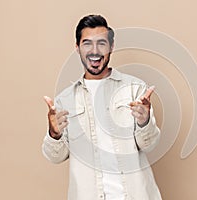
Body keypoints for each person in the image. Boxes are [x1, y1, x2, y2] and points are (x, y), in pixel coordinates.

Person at [42, 14, 162, 200]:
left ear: (111, 47)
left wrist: (144, 121)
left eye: (101, 43)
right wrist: (54, 134)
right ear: (78, 48)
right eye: (87, 43)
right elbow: (54, 157)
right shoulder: (64, 100)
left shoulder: (134, 88)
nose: (94, 51)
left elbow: (149, 144)